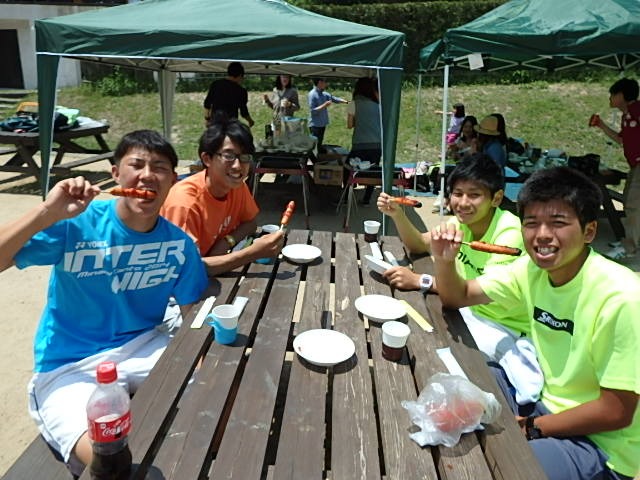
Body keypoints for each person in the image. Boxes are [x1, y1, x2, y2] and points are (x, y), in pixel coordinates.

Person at [0, 130, 208, 475]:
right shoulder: (75, 224)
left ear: (173, 180)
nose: (147, 175)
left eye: (159, 167)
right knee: (108, 462)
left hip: (145, 345)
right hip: (70, 364)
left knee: (217, 393)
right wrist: (47, 212)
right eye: (136, 164)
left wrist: (200, 364)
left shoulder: (179, 244)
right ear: (115, 173)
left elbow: (192, 314)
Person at [430, 166, 639, 480]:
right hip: (539, 399)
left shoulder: (622, 297)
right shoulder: (531, 270)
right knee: (451, 392)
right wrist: (445, 260)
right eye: (531, 223)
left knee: (505, 468)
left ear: (589, 231)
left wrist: (533, 427)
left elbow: (616, 411)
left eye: (558, 223)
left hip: (599, 443)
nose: (542, 234)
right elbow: (458, 296)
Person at [377, 154, 537, 367]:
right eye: (458, 193)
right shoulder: (460, 222)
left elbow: (465, 294)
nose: (463, 203)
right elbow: (419, 244)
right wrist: (398, 215)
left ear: (496, 198)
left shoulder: (510, 236)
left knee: (428, 351)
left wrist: (420, 280)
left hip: (503, 327)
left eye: (474, 195)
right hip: (465, 309)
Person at [161, 118, 285, 275]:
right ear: (207, 159)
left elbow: (250, 222)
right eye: (229, 156)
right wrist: (252, 253)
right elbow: (188, 270)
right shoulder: (184, 203)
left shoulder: (235, 186)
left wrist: (226, 243)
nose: (238, 166)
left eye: (244, 157)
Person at [593, 78, 640, 260]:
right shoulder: (626, 116)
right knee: (628, 200)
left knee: (633, 204)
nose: (610, 98)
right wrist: (601, 125)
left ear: (621, 95)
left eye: (612, 94)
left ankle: (629, 248)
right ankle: (630, 239)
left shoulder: (637, 110)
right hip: (635, 166)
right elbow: (621, 140)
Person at [345, 77, 381, 205]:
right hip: (377, 144)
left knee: (348, 168)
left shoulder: (353, 103)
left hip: (360, 143)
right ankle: (367, 199)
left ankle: (346, 197)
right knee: (372, 171)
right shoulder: (378, 105)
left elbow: (349, 125)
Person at [203, 62, 255, 128]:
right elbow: (244, 112)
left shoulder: (216, 84)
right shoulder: (241, 91)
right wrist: (250, 121)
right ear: (240, 75)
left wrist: (207, 119)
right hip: (231, 125)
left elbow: (207, 103)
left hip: (215, 123)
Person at [308, 77, 349, 153]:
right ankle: (311, 160)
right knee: (314, 146)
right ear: (320, 82)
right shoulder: (312, 94)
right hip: (315, 125)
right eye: (325, 82)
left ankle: (318, 157)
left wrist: (346, 101)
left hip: (322, 123)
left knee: (319, 144)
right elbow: (313, 111)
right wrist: (325, 105)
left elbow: (334, 99)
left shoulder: (324, 94)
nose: (326, 84)